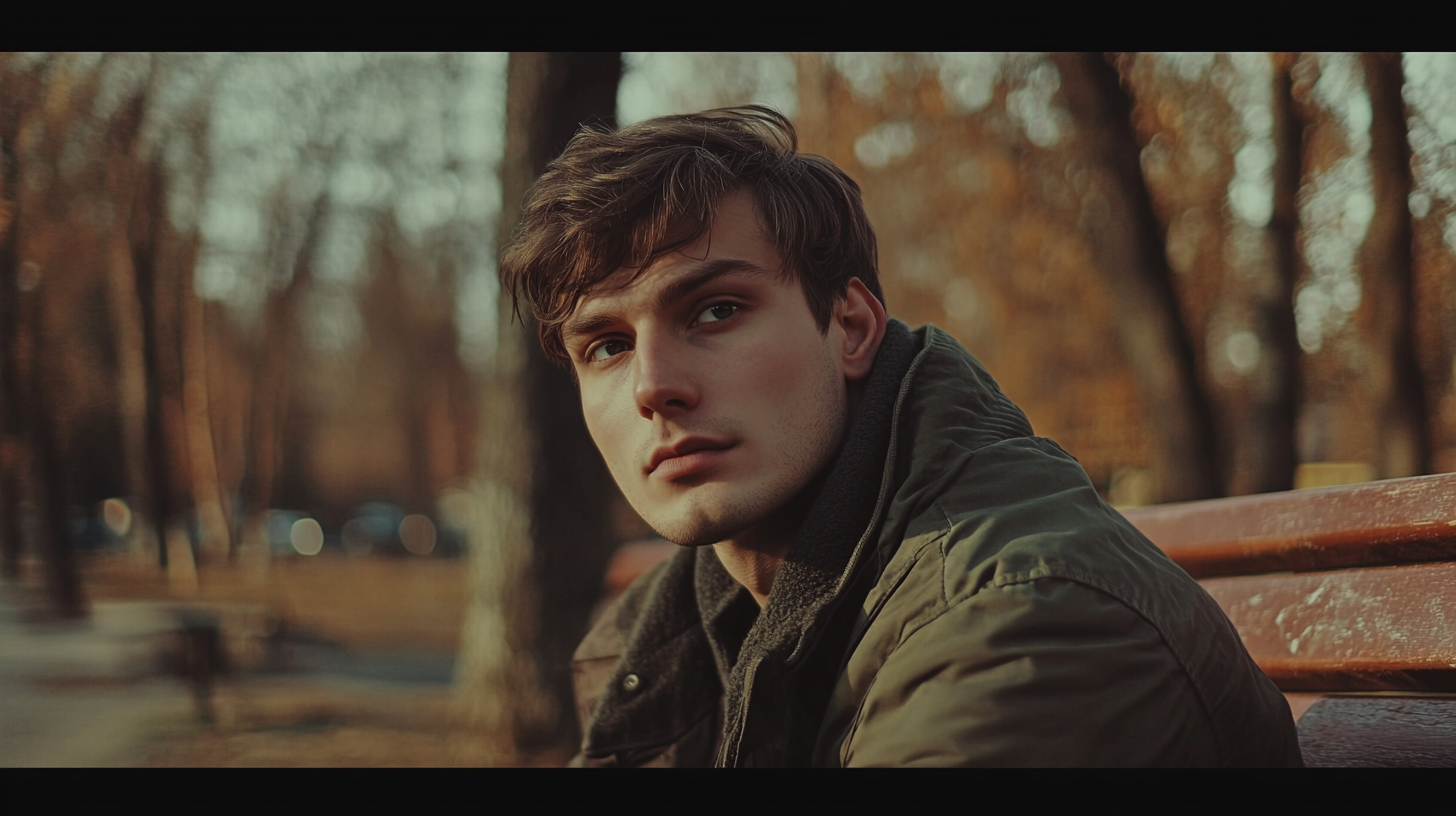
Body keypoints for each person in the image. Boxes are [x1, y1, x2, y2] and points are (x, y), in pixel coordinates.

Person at [500, 105, 1302, 767]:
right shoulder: (675, 628)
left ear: (850, 327)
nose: (651, 386)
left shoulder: (1024, 623)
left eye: (715, 310)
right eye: (606, 345)